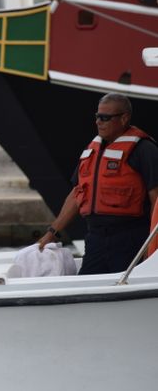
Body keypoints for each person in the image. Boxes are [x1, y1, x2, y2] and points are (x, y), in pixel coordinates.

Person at [37, 92, 158, 274]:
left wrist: (152, 246)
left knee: (124, 287)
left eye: (105, 117)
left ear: (124, 118)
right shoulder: (91, 151)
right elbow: (77, 194)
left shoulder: (144, 150)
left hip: (130, 237)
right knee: (85, 285)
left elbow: (156, 198)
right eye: (97, 117)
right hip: (95, 238)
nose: (98, 122)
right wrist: (51, 233)